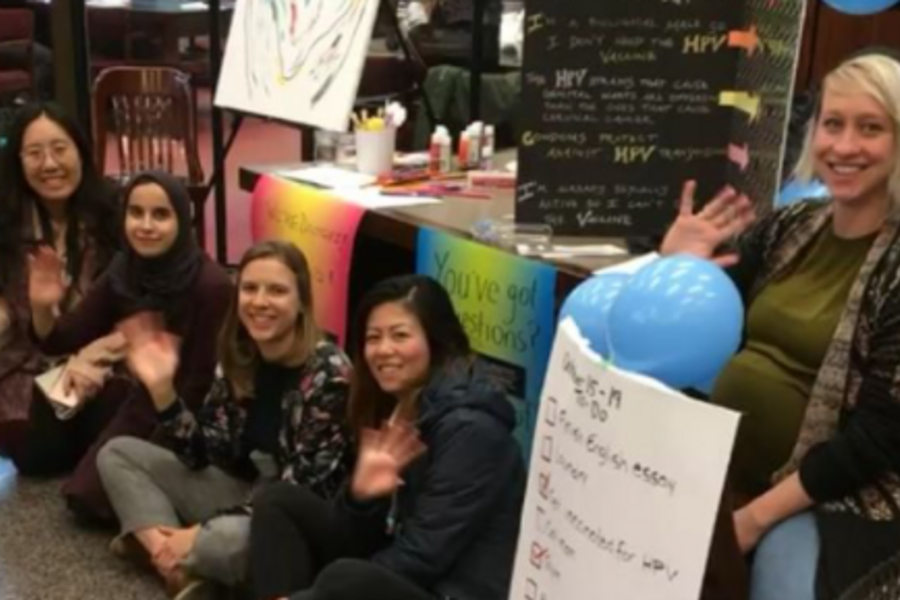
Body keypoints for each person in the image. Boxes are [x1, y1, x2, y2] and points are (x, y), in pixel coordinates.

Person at [661, 52, 900, 600]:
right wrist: (678, 264)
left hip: (839, 496)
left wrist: (753, 520)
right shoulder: (792, 225)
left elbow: (878, 441)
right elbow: (704, 307)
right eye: (832, 124)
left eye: (871, 128)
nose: (843, 146)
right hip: (719, 469)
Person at [97, 240, 353, 600]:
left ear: (301, 303)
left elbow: (302, 491)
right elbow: (205, 455)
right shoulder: (238, 354)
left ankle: (167, 548)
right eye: (249, 288)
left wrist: (202, 530)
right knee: (116, 454)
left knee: (227, 540)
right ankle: (177, 565)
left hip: (289, 522)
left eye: (277, 290)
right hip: (240, 493)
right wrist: (163, 392)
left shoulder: (330, 373)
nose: (259, 301)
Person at [249, 274, 525, 600]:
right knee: (279, 501)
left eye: (400, 335)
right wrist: (363, 498)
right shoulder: (397, 406)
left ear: (436, 341)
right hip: (404, 576)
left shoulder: (472, 430)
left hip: (449, 590)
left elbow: (423, 558)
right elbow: (355, 540)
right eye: (373, 338)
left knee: (347, 578)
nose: (383, 350)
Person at [20, 170, 233, 522]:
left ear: (183, 218)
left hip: (192, 420)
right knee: (82, 498)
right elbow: (62, 338)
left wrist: (160, 415)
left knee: (105, 497)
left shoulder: (212, 286)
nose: (146, 225)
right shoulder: (127, 267)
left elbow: (203, 385)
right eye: (136, 213)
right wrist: (44, 306)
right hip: (146, 397)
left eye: (161, 215)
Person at [0, 102, 119, 459]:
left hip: (105, 359)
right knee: (30, 442)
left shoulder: (115, 213)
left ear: (81, 152)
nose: (49, 164)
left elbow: (141, 308)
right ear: (19, 163)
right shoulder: (5, 224)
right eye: (35, 153)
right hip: (28, 363)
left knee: (116, 409)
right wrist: (35, 310)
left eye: (59, 149)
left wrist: (91, 356)